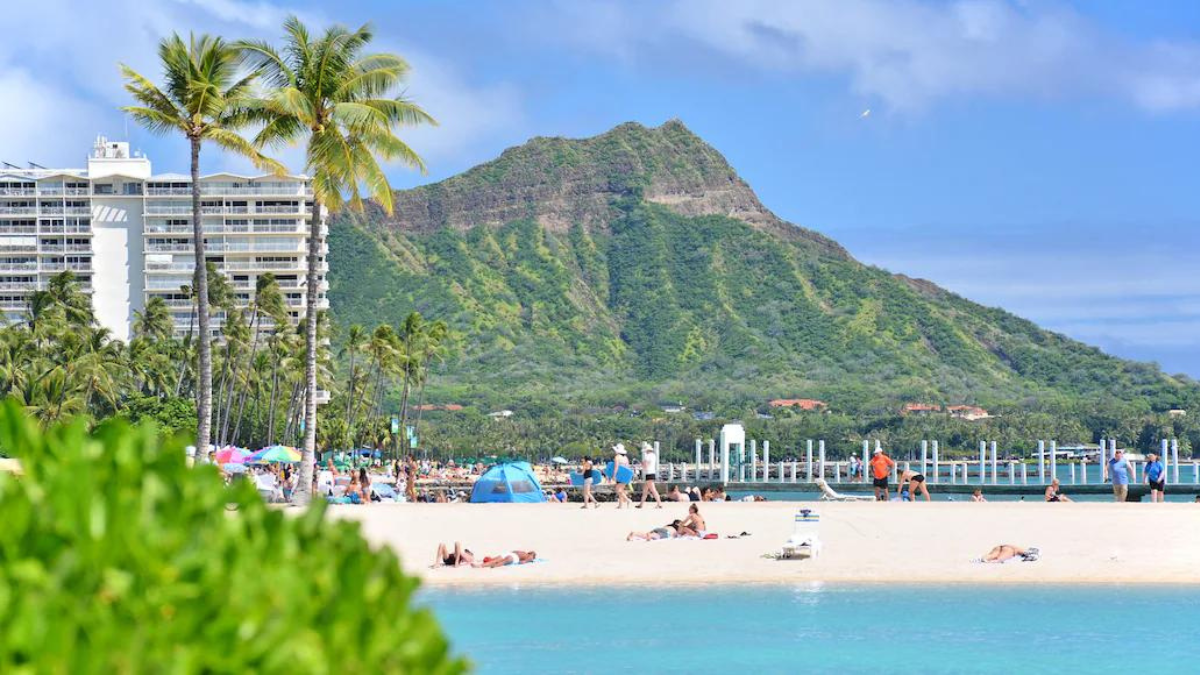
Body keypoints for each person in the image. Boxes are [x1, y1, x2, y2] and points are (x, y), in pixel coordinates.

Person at [636, 442, 663, 509]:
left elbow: (645, 465)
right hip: (652, 473)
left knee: (653, 490)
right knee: (645, 490)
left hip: (649, 473)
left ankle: (659, 503)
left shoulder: (647, 456)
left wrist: (642, 464)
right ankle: (641, 504)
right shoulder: (653, 455)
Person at [612, 443, 632, 508]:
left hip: (619, 475)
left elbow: (616, 467)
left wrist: (614, 475)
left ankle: (627, 500)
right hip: (625, 475)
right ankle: (620, 505)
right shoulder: (625, 458)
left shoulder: (617, 457)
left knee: (618, 489)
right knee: (621, 490)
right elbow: (627, 467)